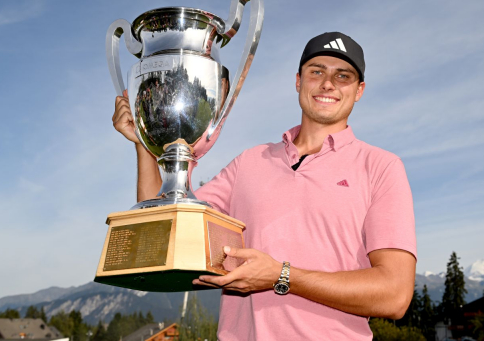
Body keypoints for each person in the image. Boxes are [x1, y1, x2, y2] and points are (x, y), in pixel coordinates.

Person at [112, 32, 417, 340]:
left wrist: (281, 276)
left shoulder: (381, 167)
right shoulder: (249, 162)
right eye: (317, 71)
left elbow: (394, 295)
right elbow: (165, 230)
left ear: (359, 90)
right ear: (298, 81)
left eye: (343, 76)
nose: (328, 84)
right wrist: (145, 144)